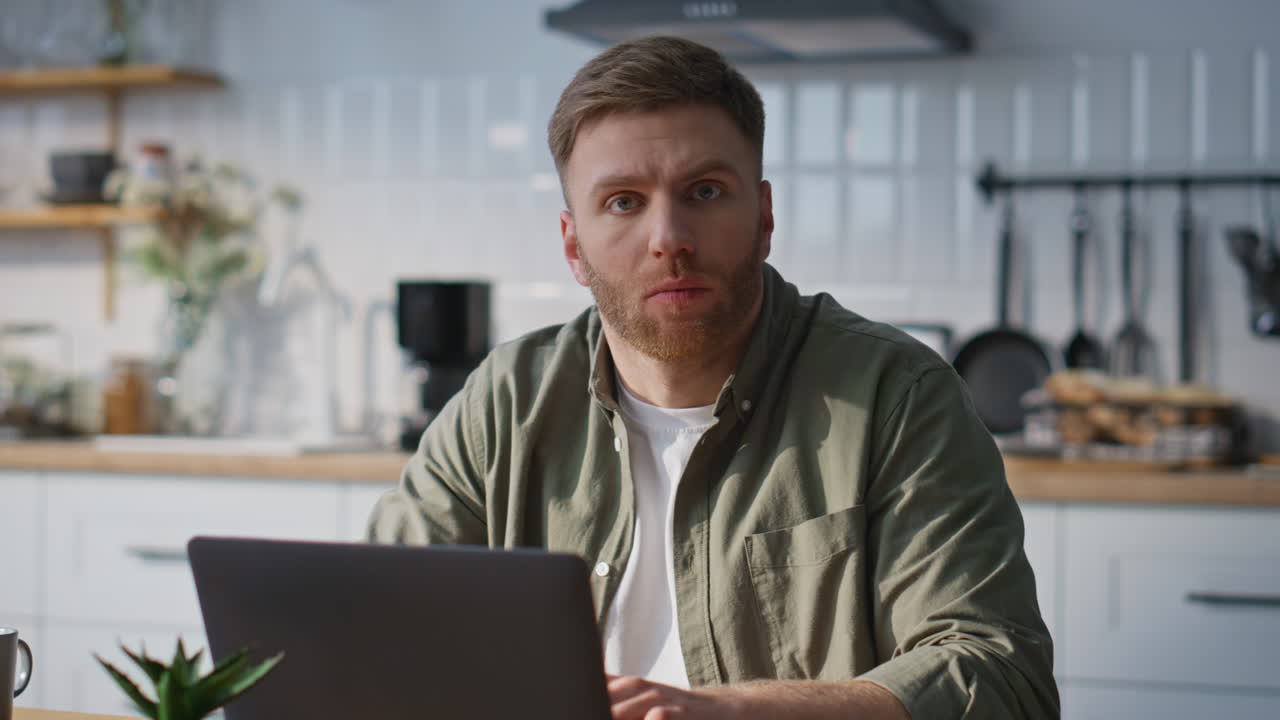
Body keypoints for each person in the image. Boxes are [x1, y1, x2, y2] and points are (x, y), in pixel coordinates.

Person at [368, 35, 1058, 720]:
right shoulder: (505, 400)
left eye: (704, 191)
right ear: (573, 246)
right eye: (623, 202)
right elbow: (374, 624)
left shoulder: (897, 396)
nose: (669, 236)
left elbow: (998, 676)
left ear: (763, 217)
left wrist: (735, 714)